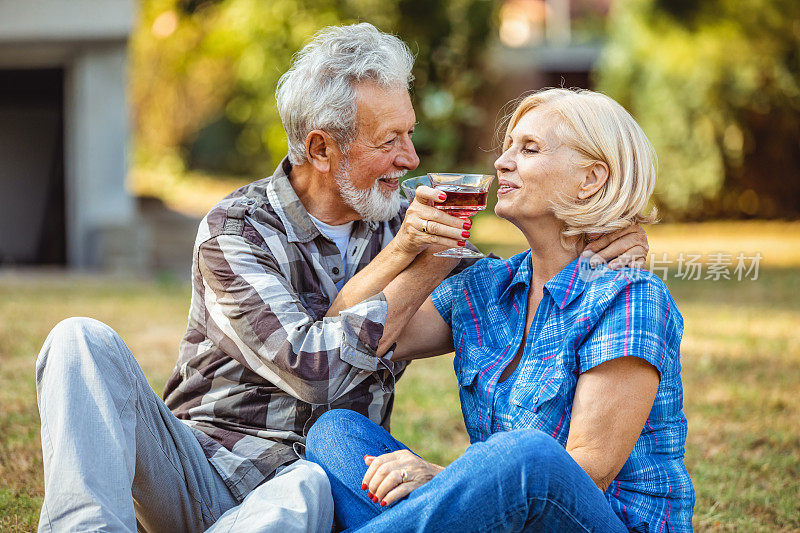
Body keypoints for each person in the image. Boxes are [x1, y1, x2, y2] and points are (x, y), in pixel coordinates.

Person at [34, 22, 649, 532]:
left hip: (313, 495)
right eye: (391, 141)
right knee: (79, 340)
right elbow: (312, 369)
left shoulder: (410, 216)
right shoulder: (236, 229)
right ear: (323, 150)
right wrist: (412, 261)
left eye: (409, 134)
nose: (411, 158)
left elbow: (511, 287)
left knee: (312, 472)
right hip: (204, 470)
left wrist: (613, 229)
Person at [306, 88, 695, 532]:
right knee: (337, 431)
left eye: (528, 149)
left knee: (530, 454)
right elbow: (346, 339)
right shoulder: (486, 286)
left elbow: (586, 471)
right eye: (508, 146)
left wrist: (442, 479)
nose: (501, 162)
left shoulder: (629, 296)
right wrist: (409, 248)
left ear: (591, 179)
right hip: (501, 521)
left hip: (601, 522)